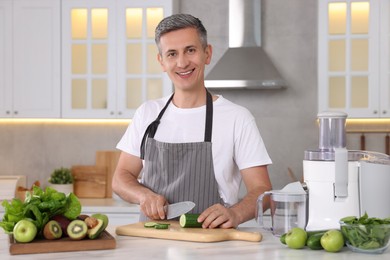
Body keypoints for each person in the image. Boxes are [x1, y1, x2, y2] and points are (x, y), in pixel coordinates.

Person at [112, 13, 272, 229]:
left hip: (212, 244)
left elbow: (263, 190)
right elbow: (121, 178)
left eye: (190, 50)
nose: (182, 62)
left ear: (207, 53)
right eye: (172, 54)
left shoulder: (237, 118)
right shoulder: (147, 114)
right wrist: (143, 196)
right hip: (152, 243)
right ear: (161, 61)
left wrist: (235, 214)